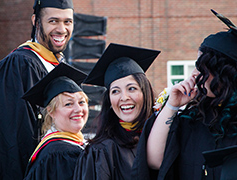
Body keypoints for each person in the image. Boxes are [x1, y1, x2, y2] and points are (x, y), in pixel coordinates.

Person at [131, 9, 237, 179]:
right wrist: (172, 105)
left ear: (225, 75)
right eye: (196, 65)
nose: (195, 74)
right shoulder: (195, 118)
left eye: (203, 68)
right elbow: (154, 161)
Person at [0, 0, 74, 179]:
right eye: (53, 21)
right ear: (36, 22)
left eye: (67, 21)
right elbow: (11, 140)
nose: (62, 29)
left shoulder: (57, 64)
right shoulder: (19, 65)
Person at [73, 43, 160, 180]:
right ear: (109, 100)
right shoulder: (102, 151)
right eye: (115, 91)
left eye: (131, 88)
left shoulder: (164, 134)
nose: (124, 97)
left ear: (145, 92)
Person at [22, 62, 88, 180]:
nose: (78, 109)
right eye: (68, 104)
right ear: (51, 112)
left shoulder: (72, 145)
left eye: (82, 102)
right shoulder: (60, 154)